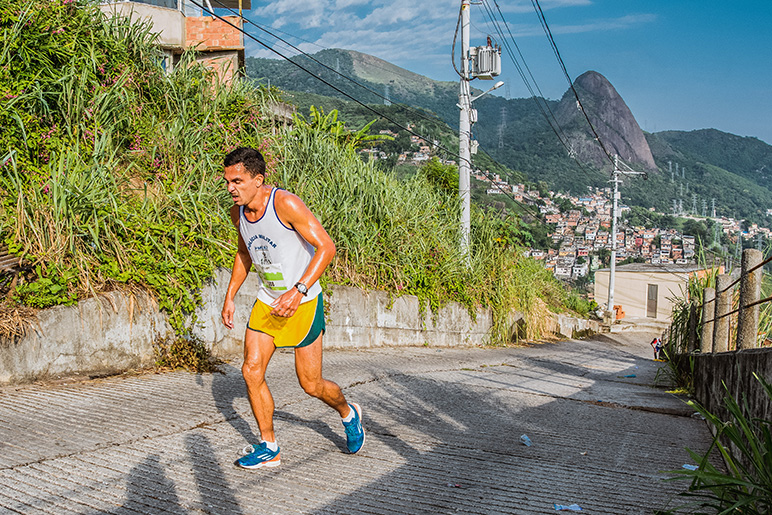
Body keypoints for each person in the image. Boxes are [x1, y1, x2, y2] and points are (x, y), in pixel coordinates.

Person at [220, 147, 365, 470]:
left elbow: (326, 247)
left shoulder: (285, 204)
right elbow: (245, 254)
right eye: (228, 181)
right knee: (251, 370)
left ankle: (348, 413)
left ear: (258, 180)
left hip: (304, 301)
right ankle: (269, 446)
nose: (231, 188)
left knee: (311, 384)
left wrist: (298, 291)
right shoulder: (238, 213)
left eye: (238, 181)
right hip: (268, 300)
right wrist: (230, 296)